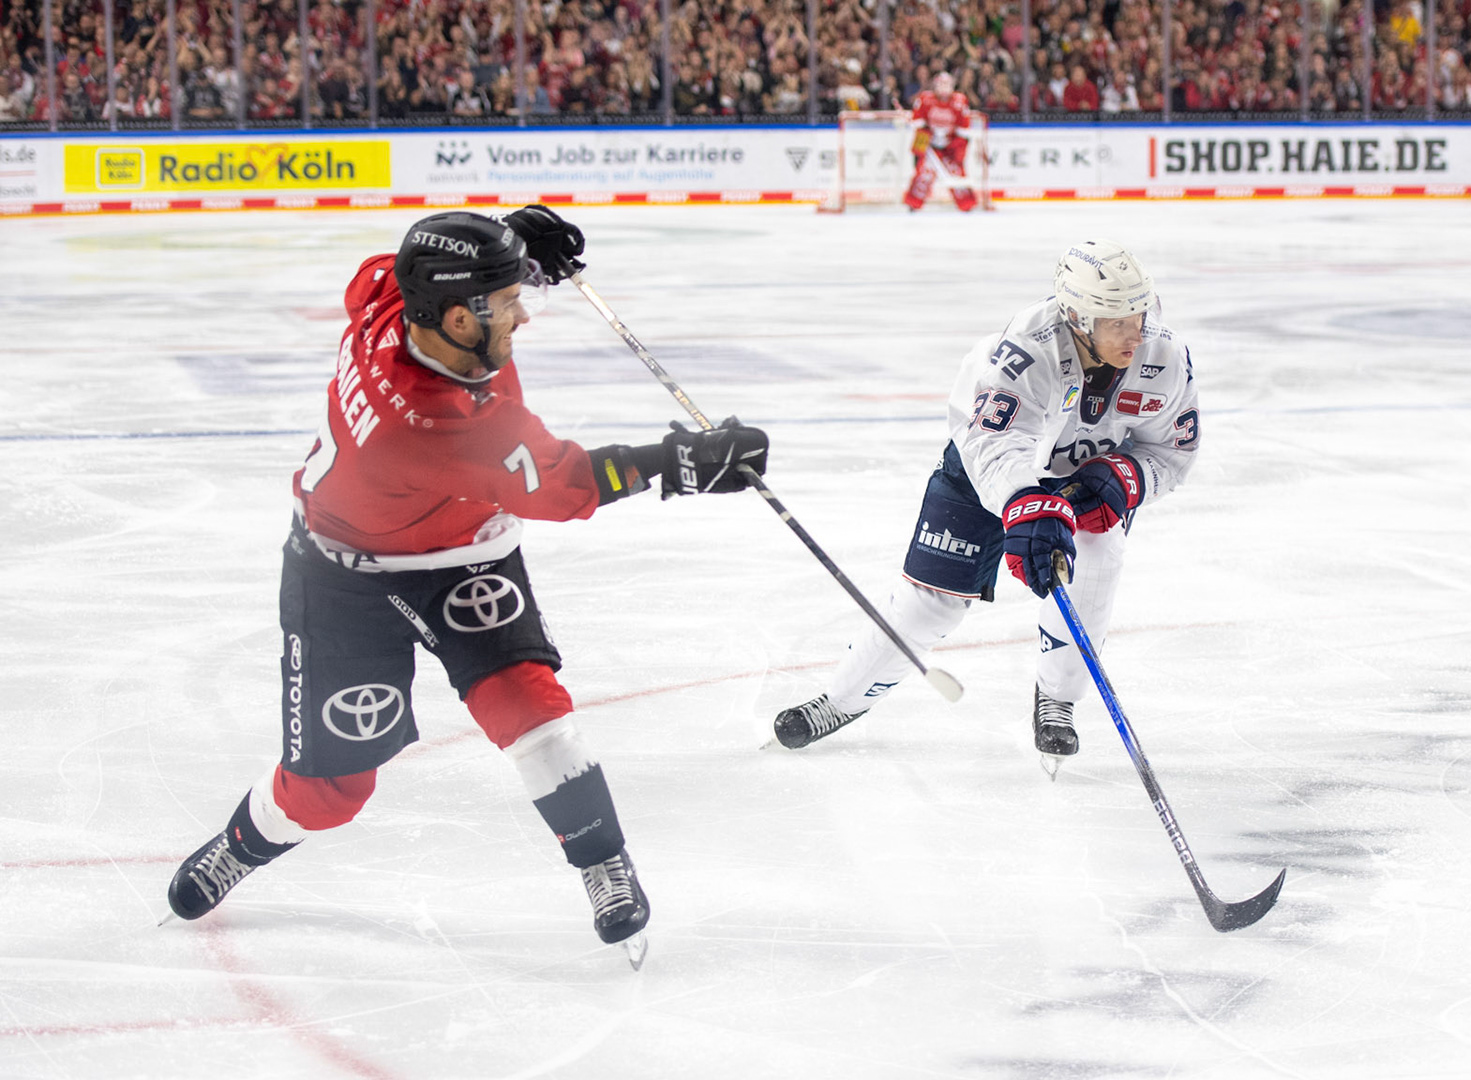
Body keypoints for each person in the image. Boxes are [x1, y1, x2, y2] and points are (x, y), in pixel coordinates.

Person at [164, 207, 770, 956]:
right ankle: (244, 841)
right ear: (456, 318)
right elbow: (567, 484)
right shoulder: (434, 423)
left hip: (461, 551)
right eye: (509, 301)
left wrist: (512, 246)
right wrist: (685, 462)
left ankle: (602, 860)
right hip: (340, 578)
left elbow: (395, 266)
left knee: (534, 714)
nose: (523, 314)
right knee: (331, 792)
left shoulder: (393, 293)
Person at [772, 241, 1200, 772]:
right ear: (1078, 317)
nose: (1135, 334)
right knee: (932, 604)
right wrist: (1027, 504)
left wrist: (1126, 476)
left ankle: (1059, 700)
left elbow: (1171, 449)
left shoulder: (1163, 353)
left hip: (1083, 475)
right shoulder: (1025, 350)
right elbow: (995, 446)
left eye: (1140, 314)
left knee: (1099, 553)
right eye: (1116, 322)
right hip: (986, 471)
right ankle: (838, 702)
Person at [903, 70, 979, 212]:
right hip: (929, 143)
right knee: (924, 172)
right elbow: (918, 124)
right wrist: (921, 146)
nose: (944, 89)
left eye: (947, 84)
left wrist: (958, 150)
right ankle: (913, 203)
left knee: (956, 172)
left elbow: (964, 130)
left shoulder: (960, 102)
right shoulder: (925, 99)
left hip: (951, 144)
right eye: (941, 84)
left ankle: (966, 204)